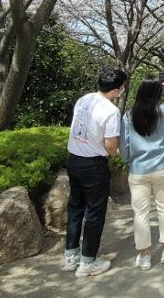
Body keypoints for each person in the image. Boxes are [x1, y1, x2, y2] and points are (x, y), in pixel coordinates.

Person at [64, 68, 127, 278]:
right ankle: (87, 262)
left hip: (73, 160)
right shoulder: (111, 111)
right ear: (116, 90)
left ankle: (71, 256)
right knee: (94, 213)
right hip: (93, 165)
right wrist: (112, 155)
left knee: (75, 208)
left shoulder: (84, 100)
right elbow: (110, 144)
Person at [119, 77, 164, 271]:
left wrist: (129, 161)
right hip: (161, 168)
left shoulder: (128, 115)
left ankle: (144, 255)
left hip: (138, 170)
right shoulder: (163, 111)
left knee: (140, 213)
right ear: (157, 94)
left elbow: (124, 144)